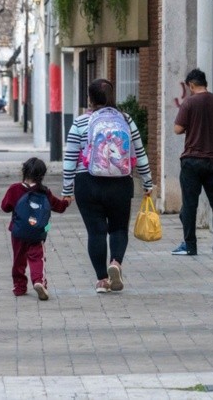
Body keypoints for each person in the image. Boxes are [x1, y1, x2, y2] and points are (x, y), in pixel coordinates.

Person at [62, 79, 153, 294]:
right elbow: (140, 153)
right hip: (120, 183)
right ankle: (116, 263)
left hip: (87, 183)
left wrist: (67, 190)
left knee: (96, 233)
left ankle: (102, 280)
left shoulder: (80, 122)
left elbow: (70, 157)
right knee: (119, 229)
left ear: (90, 99)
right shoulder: (126, 120)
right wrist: (148, 182)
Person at [171, 69, 213, 256]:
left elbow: (177, 129)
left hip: (192, 161)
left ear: (191, 85)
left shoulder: (189, 103)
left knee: (190, 204)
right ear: (204, 83)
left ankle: (190, 245)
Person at [1, 157, 70, 300]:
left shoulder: (14, 189)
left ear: (24, 171)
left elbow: (5, 207)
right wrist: (66, 201)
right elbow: (59, 207)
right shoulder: (44, 192)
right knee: (37, 257)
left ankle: (19, 287)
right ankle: (39, 281)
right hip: (38, 232)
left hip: (18, 232)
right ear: (42, 175)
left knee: (18, 259)